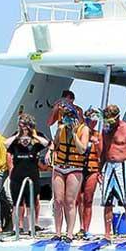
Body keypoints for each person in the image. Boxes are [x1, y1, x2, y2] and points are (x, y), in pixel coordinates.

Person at [50, 103, 90, 240]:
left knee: (70, 201)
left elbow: (82, 149)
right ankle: (57, 233)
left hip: (75, 168)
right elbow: (55, 144)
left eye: (70, 116)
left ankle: (69, 233)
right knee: (58, 200)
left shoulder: (84, 130)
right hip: (59, 167)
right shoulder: (60, 129)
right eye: (65, 117)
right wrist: (50, 151)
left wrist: (73, 134)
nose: (67, 119)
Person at [99, 104, 126, 241]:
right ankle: (107, 234)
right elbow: (104, 151)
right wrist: (99, 170)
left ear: (117, 117)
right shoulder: (106, 130)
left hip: (124, 166)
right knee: (107, 201)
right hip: (109, 165)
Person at [7, 113, 50, 234]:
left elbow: (47, 144)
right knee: (17, 202)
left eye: (25, 125)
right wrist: (18, 135)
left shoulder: (36, 138)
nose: (23, 128)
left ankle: (32, 227)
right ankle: (17, 227)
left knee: (31, 202)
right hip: (17, 174)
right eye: (21, 125)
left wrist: (33, 135)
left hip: (32, 174)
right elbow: (6, 144)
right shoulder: (15, 138)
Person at [76, 108, 102, 238]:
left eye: (96, 121)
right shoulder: (79, 131)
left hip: (92, 169)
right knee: (78, 198)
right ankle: (80, 227)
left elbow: (101, 154)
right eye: (92, 120)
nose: (94, 123)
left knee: (88, 199)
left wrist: (97, 143)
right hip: (79, 167)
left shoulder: (98, 135)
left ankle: (86, 229)